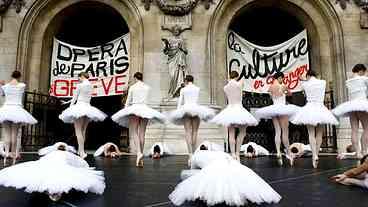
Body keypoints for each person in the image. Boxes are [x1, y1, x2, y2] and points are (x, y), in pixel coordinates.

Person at [169, 150, 281, 206]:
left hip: (218, 163)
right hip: (229, 160)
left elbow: (193, 170)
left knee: (214, 180)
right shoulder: (211, 153)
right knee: (239, 178)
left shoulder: (195, 157)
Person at [0, 142, 105, 201]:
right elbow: (82, 163)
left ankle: (52, 190)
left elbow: (41, 160)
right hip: (58, 164)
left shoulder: (51, 154)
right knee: (59, 174)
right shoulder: (69, 154)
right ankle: (55, 190)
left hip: (49, 163)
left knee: (47, 173)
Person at [111, 72, 166, 167]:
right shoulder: (147, 87)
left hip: (135, 108)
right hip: (144, 109)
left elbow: (128, 101)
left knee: (134, 132)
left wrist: (125, 111)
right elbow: (147, 100)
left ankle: (139, 152)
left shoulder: (133, 87)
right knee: (142, 133)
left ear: (135, 78)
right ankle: (140, 154)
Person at [291, 70, 338, 168]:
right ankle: (316, 153)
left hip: (310, 109)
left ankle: (314, 155)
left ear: (308, 75)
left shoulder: (305, 84)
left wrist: (303, 79)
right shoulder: (323, 82)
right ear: (316, 75)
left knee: (311, 134)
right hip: (320, 108)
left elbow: (304, 83)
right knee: (319, 133)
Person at [210, 71, 258, 161]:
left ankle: (233, 154)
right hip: (239, 109)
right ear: (237, 76)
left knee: (231, 133)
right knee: (242, 132)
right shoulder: (240, 83)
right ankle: (237, 153)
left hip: (229, 110)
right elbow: (240, 88)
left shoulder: (226, 87)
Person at [59, 72, 107, 159]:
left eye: (79, 78)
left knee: (78, 130)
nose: (78, 79)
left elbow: (75, 98)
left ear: (82, 76)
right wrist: (66, 102)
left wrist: (70, 109)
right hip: (87, 107)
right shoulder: (90, 85)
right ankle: (82, 150)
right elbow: (82, 97)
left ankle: (81, 152)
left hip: (80, 107)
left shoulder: (80, 85)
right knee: (83, 130)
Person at [169, 75, 215, 165]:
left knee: (187, 132)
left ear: (186, 80)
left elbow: (180, 102)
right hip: (196, 109)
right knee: (195, 132)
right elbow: (196, 100)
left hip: (186, 109)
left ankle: (190, 154)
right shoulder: (197, 88)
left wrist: (178, 112)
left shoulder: (183, 89)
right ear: (193, 80)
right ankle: (194, 153)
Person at [255, 72, 299, 165]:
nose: (282, 79)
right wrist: (286, 92)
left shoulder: (271, 87)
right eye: (282, 78)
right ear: (279, 78)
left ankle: (278, 152)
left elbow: (271, 96)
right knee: (285, 133)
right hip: (283, 109)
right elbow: (290, 94)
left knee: (277, 132)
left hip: (274, 109)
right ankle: (289, 153)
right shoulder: (283, 86)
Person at [0, 71, 37, 165]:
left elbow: (3, 95)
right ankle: (13, 155)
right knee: (14, 135)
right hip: (17, 109)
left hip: (6, 109)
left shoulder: (5, 86)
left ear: (11, 76)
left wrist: (2, 85)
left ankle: (6, 156)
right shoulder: (22, 85)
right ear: (19, 76)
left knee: (6, 134)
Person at [332, 64, 368, 159]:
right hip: (361, 104)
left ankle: (358, 152)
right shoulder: (363, 79)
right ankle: (364, 151)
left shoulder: (348, 81)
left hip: (351, 106)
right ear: (361, 71)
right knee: (367, 128)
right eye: (364, 72)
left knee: (354, 130)